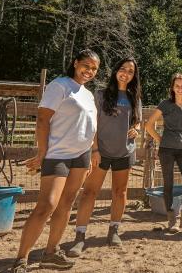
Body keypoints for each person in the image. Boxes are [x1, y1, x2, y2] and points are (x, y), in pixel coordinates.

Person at [12, 49, 100, 273]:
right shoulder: (59, 85)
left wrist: (91, 152)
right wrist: (42, 153)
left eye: (94, 68)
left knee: (67, 203)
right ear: (75, 63)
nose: (89, 71)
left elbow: (89, 126)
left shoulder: (88, 94)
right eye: (86, 65)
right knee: (47, 205)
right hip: (58, 154)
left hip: (81, 155)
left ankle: (51, 252)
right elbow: (42, 119)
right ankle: (21, 258)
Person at [67, 57, 143, 257]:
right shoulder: (100, 95)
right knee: (89, 193)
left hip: (125, 152)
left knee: (120, 192)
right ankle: (80, 236)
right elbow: (92, 125)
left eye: (130, 71)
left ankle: (114, 230)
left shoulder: (134, 98)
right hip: (101, 153)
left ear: (134, 76)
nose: (126, 73)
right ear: (116, 70)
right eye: (123, 69)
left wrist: (136, 129)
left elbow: (137, 122)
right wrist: (94, 149)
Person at [145, 73, 182, 233]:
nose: (180, 88)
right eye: (177, 85)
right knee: (168, 184)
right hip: (167, 151)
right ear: (172, 88)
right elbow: (148, 125)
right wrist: (160, 140)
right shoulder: (165, 104)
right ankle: (172, 220)